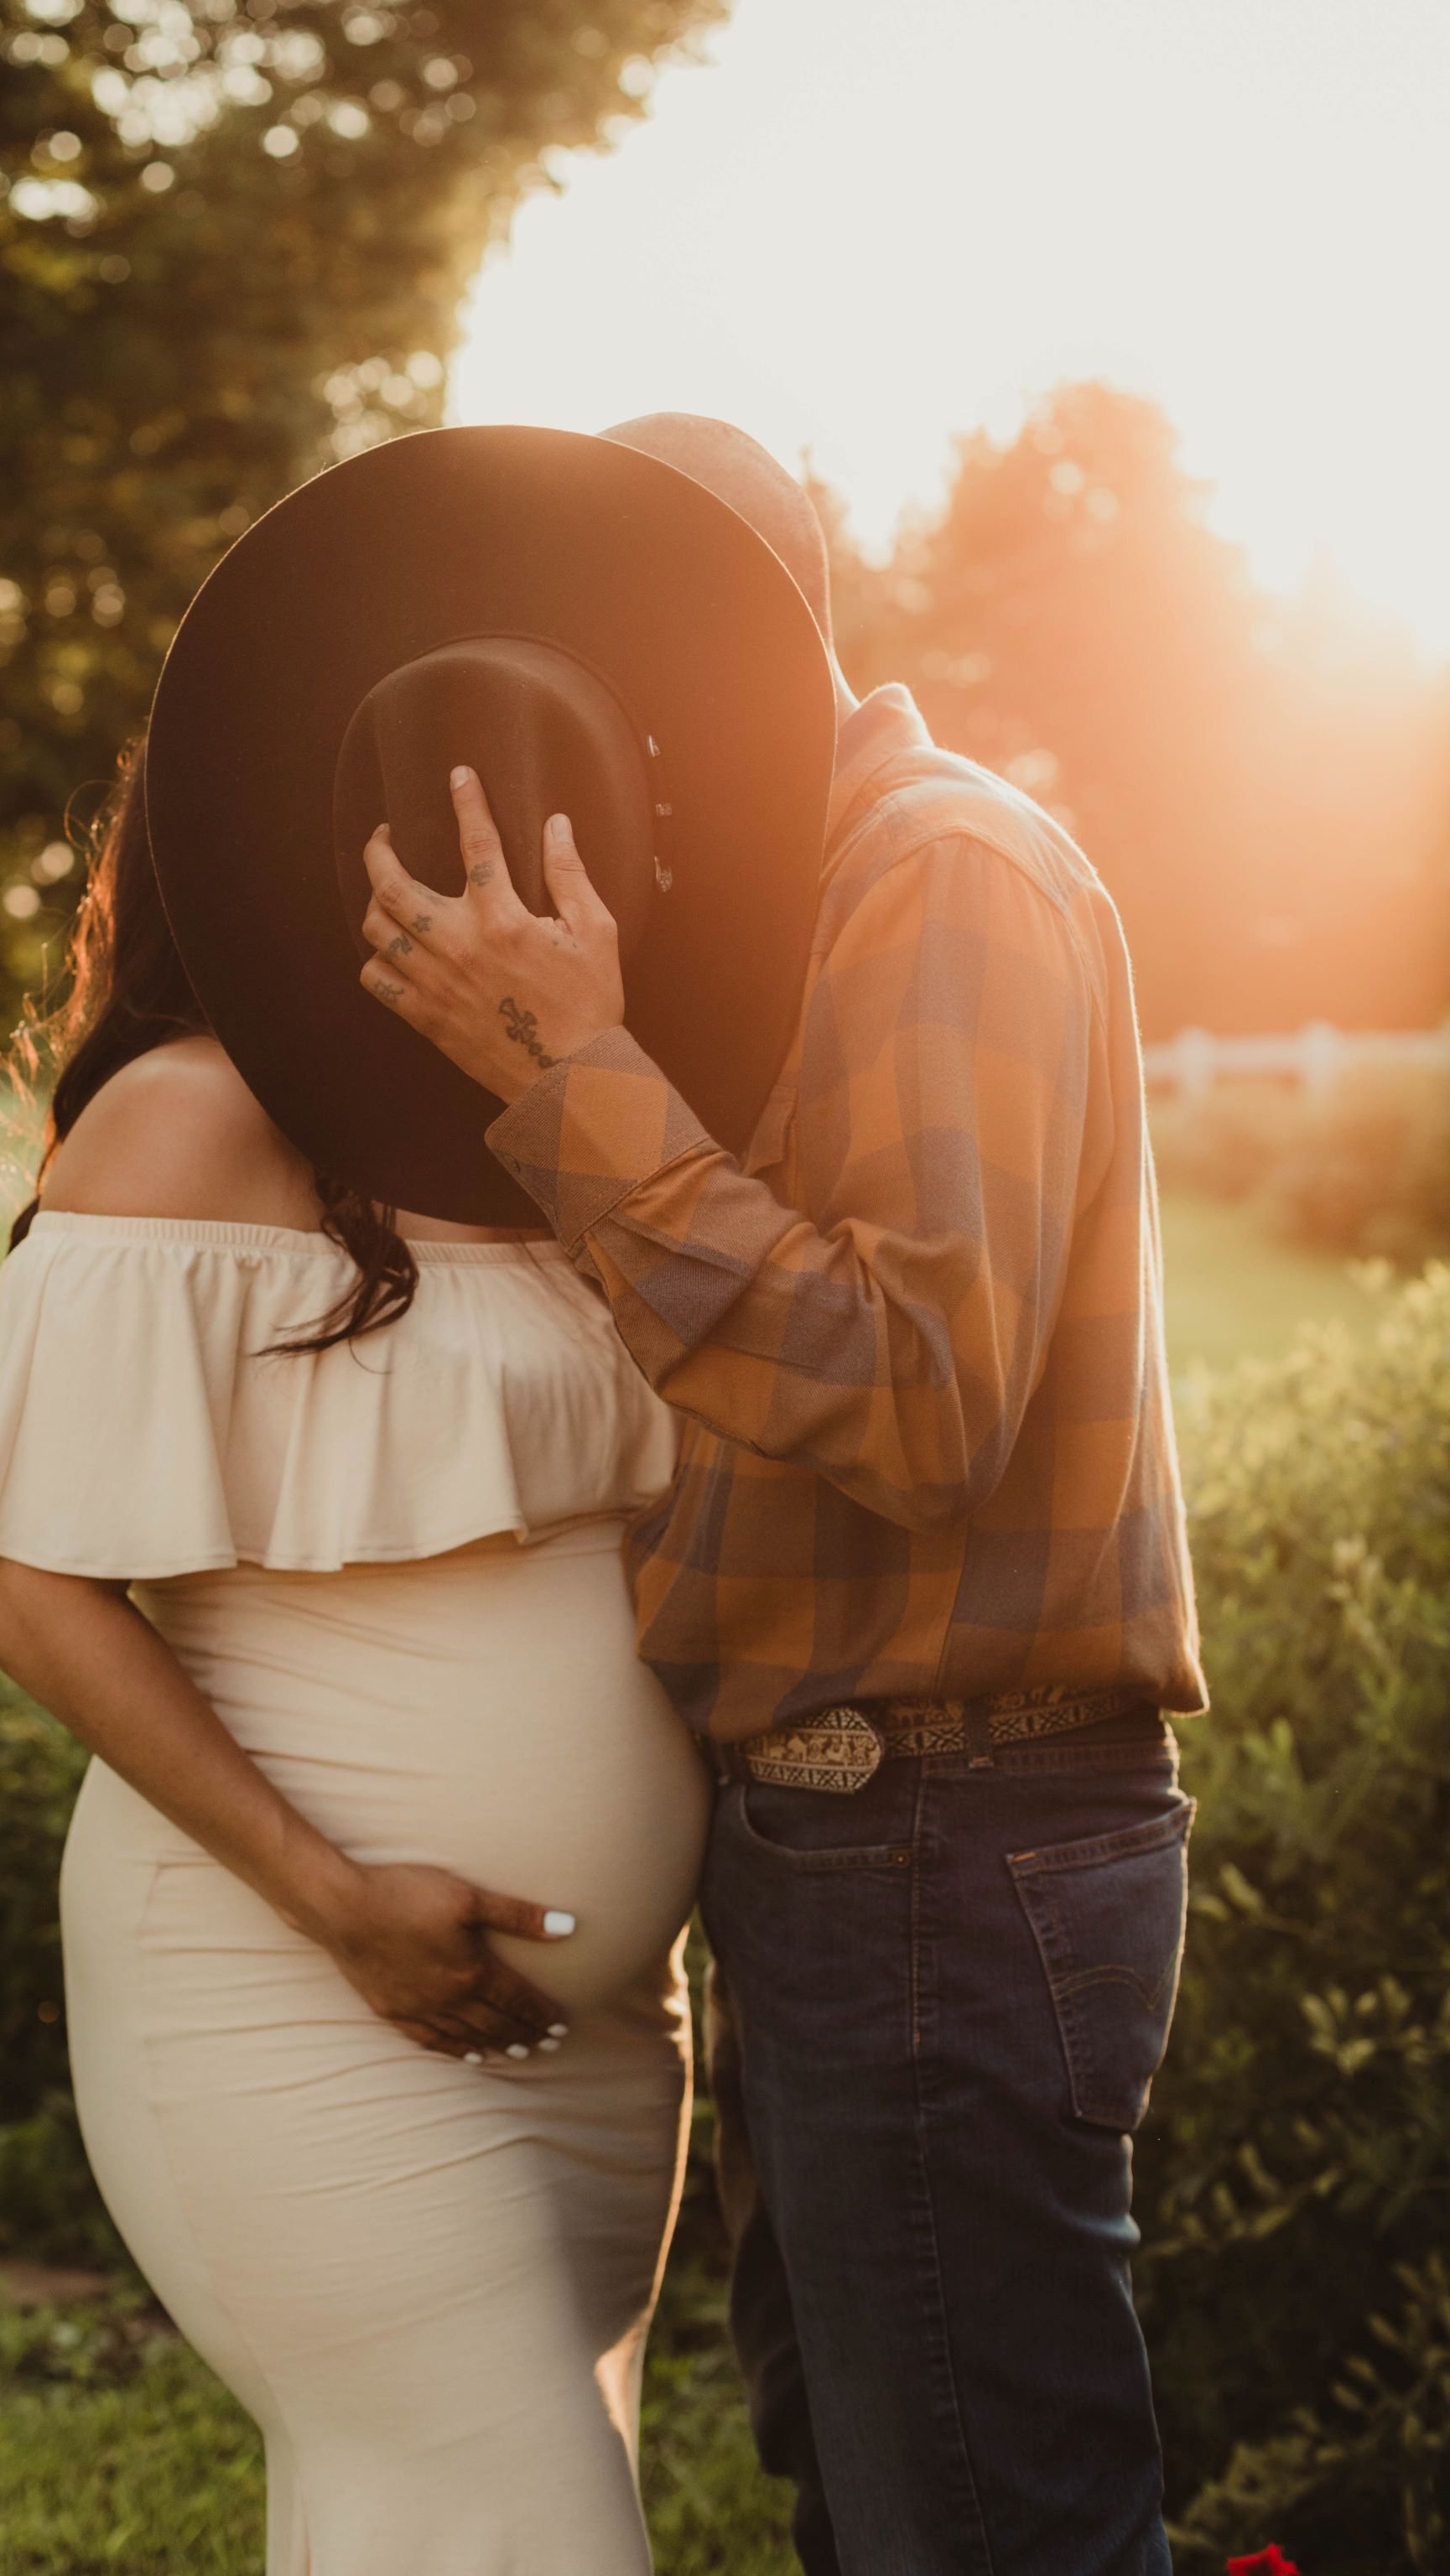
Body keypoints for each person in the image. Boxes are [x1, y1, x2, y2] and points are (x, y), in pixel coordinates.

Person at [0, 425, 839, 2576]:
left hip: (594, 2032)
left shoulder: (577, 1123)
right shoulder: (180, 1128)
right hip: (292, 1977)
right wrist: (328, 1893)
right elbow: (33, 1595)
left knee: (424, 2523)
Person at [360, 413, 1210, 2576]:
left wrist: (576, 1090)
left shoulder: (932, 874)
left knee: (980, 2533)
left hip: (943, 1833)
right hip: (856, 1848)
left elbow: (919, 1398)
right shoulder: (767, 914)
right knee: (879, 2503)